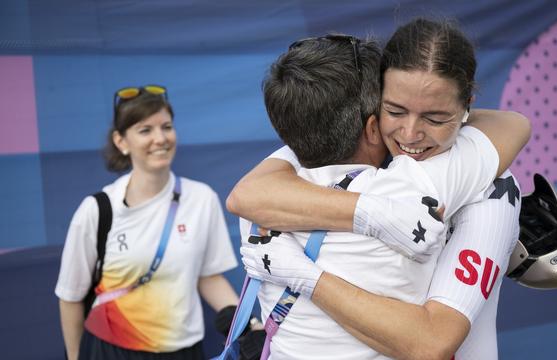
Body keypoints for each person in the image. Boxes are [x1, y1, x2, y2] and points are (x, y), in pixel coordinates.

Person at [229, 18, 529, 360]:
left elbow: (432, 341)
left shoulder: (485, 186)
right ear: (373, 118)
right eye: (394, 110)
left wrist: (303, 274)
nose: (410, 133)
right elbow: (244, 194)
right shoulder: (408, 183)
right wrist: (375, 213)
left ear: (466, 106)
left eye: (435, 117)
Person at [55, 86, 240, 360]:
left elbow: (209, 277)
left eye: (166, 126)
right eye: (145, 130)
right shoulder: (97, 210)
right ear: (121, 141)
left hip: (184, 351)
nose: (160, 138)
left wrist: (247, 325)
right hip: (112, 350)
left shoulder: (202, 198)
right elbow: (70, 296)